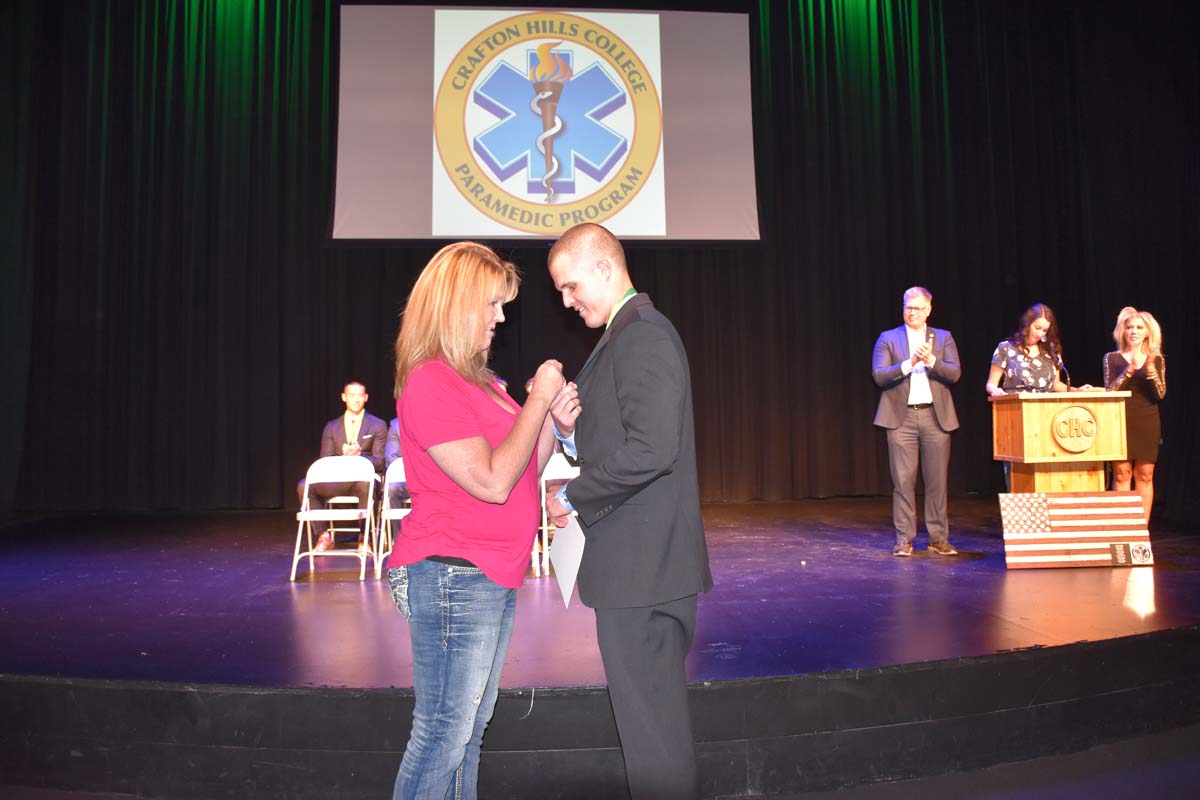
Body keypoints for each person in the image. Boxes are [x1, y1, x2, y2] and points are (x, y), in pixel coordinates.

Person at [385, 241, 569, 800]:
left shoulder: (483, 384)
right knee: (444, 731)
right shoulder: (430, 381)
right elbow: (490, 483)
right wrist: (538, 402)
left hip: (488, 572)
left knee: (467, 730)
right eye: (492, 303)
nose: (501, 316)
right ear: (457, 305)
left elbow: (521, 472)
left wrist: (550, 423)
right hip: (452, 572)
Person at [545, 223, 712, 800]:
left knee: (654, 742)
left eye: (569, 287)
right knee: (650, 734)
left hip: (645, 575)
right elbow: (625, 442)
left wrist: (569, 495)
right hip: (638, 571)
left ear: (604, 268)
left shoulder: (642, 335)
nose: (567, 301)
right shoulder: (625, 335)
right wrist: (570, 435)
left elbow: (652, 450)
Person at [871, 287, 962, 557]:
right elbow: (879, 375)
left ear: (929, 309)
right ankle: (904, 539)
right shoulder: (888, 338)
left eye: (918, 308)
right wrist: (909, 363)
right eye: (908, 307)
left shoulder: (943, 338)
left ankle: (938, 538)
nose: (912, 312)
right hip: (902, 419)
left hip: (935, 417)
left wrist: (932, 360)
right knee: (903, 480)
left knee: (937, 481)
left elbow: (954, 374)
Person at [295, 381, 388, 551]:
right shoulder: (332, 427)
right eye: (352, 395)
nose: (356, 399)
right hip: (338, 480)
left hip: (361, 481)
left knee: (366, 485)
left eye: (360, 396)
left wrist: (360, 456)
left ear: (366, 398)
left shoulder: (377, 425)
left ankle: (364, 537)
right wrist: (343, 457)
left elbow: (380, 462)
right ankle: (323, 536)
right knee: (304, 486)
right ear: (344, 397)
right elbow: (325, 460)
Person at [1103, 307, 1166, 525]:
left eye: (1139, 328)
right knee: (1121, 474)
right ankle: (1122, 528)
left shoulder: (1155, 360)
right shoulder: (1112, 358)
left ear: (1147, 333)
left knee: (1145, 475)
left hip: (1147, 420)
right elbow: (1110, 391)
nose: (1134, 331)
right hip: (1120, 419)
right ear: (1123, 331)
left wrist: (1150, 370)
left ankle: (1140, 529)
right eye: (1129, 327)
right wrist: (1129, 370)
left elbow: (1159, 394)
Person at [986, 303, 1074, 396]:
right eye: (1037, 328)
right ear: (1027, 324)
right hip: (1015, 405)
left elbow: (1056, 385)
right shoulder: (1006, 348)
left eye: (1044, 331)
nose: (1040, 334)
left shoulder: (1051, 351)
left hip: (1046, 406)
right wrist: (994, 390)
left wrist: (1077, 390)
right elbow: (991, 384)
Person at [383, 417, 409, 507]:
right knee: (392, 489)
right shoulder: (396, 424)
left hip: (428, 479)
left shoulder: (432, 420)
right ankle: (397, 522)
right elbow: (391, 458)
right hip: (407, 477)